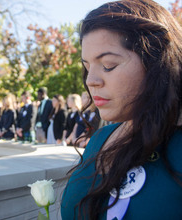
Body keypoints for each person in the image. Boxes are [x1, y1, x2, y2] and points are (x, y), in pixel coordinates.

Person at [61, 0, 182, 219]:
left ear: (157, 62)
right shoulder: (100, 139)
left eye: (108, 65)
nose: (91, 81)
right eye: (87, 67)